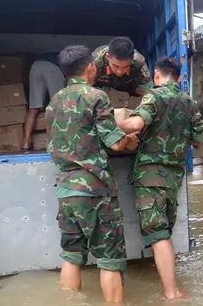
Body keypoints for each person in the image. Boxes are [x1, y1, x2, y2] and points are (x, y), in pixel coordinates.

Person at [46, 45, 139, 304]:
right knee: (110, 260)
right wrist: (129, 141)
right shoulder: (96, 96)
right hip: (95, 191)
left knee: (71, 256)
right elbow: (114, 142)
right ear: (90, 67)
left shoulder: (53, 102)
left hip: (66, 192)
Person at [118, 57, 203, 301]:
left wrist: (105, 124)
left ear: (157, 75)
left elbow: (136, 122)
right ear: (178, 77)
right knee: (164, 231)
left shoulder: (154, 96)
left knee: (158, 235)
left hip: (150, 178)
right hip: (173, 178)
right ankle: (171, 288)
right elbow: (199, 140)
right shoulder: (190, 102)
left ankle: (171, 293)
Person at [22, 52, 65, 151]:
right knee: (58, 106)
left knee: (33, 108)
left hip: (35, 66)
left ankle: (25, 143)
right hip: (52, 68)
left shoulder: (57, 54)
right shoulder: (73, 61)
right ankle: (57, 143)